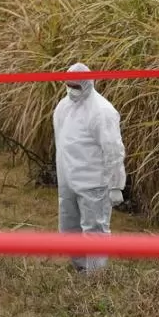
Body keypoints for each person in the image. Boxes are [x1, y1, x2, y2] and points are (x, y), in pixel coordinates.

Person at [53, 62, 126, 273]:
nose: (72, 89)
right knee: (69, 229)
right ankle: (80, 269)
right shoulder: (63, 107)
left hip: (94, 182)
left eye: (76, 86)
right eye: (69, 85)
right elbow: (62, 143)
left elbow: (113, 149)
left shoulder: (102, 111)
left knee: (94, 231)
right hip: (67, 179)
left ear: (87, 83)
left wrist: (115, 185)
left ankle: (96, 277)